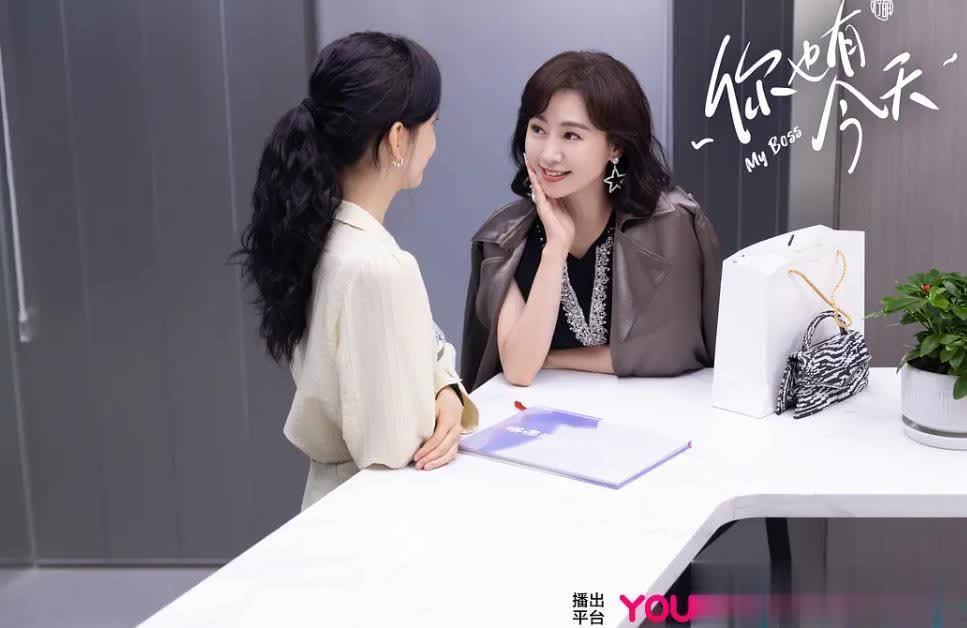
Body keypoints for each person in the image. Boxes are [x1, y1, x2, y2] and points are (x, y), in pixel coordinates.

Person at [235, 32, 477, 511]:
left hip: (336, 505)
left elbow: (419, 349)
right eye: (431, 125)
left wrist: (445, 388)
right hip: (374, 521)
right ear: (397, 138)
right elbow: (397, 453)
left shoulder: (316, 233)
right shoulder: (377, 268)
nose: (434, 141)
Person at [461, 51, 721, 391]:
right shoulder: (504, 238)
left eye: (571, 135)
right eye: (538, 129)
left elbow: (673, 350)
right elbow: (520, 368)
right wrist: (555, 249)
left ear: (616, 147)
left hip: (654, 413)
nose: (548, 154)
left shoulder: (669, 224)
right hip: (541, 415)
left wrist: (552, 359)